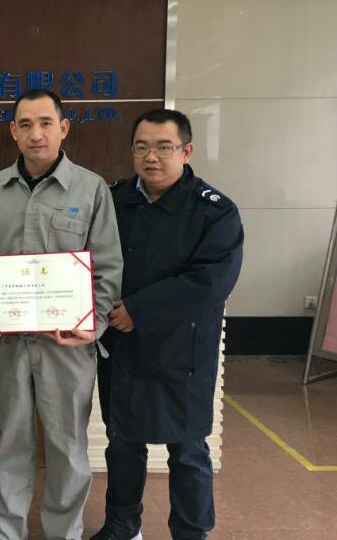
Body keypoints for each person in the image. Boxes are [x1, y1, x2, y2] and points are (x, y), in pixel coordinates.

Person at [0, 89, 123, 540]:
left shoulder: (91, 189)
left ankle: (64, 531)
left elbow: (108, 265)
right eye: (25, 124)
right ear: (12, 131)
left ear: (64, 128)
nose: (35, 134)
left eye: (45, 123)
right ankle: (5, 531)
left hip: (67, 346)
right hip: (6, 345)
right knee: (9, 440)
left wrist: (93, 325)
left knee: (67, 445)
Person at [91, 109, 244, 540]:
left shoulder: (214, 211)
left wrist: (140, 309)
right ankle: (121, 526)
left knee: (188, 448)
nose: (151, 157)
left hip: (182, 351)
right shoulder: (113, 200)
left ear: (186, 151)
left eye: (163, 147)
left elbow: (211, 281)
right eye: (141, 147)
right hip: (122, 345)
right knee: (123, 442)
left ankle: (191, 532)